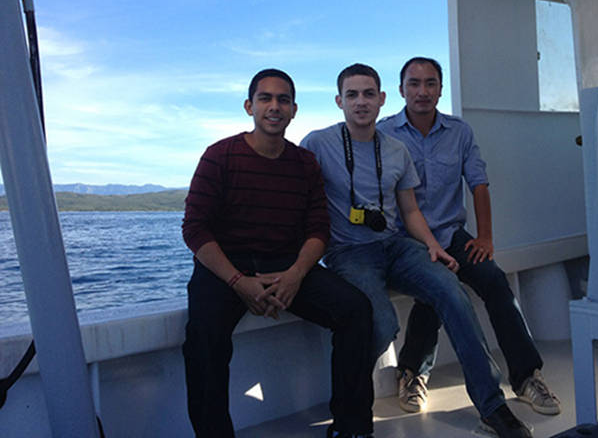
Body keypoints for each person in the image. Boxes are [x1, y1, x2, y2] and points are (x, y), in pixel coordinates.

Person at [301, 63, 533, 438]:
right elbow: (299, 198)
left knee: (452, 294)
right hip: (349, 252)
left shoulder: (395, 149)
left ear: (382, 99)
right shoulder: (317, 143)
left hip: (396, 246)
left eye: (368, 94)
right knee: (381, 324)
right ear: (339, 101)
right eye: (352, 94)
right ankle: (347, 412)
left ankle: (492, 406)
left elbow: (409, 210)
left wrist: (431, 246)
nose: (361, 102)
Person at [181, 68, 375, 438]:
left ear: (294, 110)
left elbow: (319, 229)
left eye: (283, 99)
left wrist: (296, 275)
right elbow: (195, 229)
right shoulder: (219, 156)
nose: (275, 106)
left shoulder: (304, 164)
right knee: (203, 339)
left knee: (355, 311)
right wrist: (239, 282)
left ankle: (352, 428)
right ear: (249, 106)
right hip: (227, 268)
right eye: (266, 99)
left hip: (286, 265)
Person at [377, 57, 561, 417]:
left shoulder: (460, 132)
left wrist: (486, 238)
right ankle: (413, 373)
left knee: (494, 280)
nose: (422, 91)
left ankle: (526, 378)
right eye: (414, 84)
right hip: (406, 240)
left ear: (441, 89)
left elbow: (478, 183)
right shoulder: (384, 134)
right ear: (401, 91)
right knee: (438, 284)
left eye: (431, 83)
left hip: (450, 233)